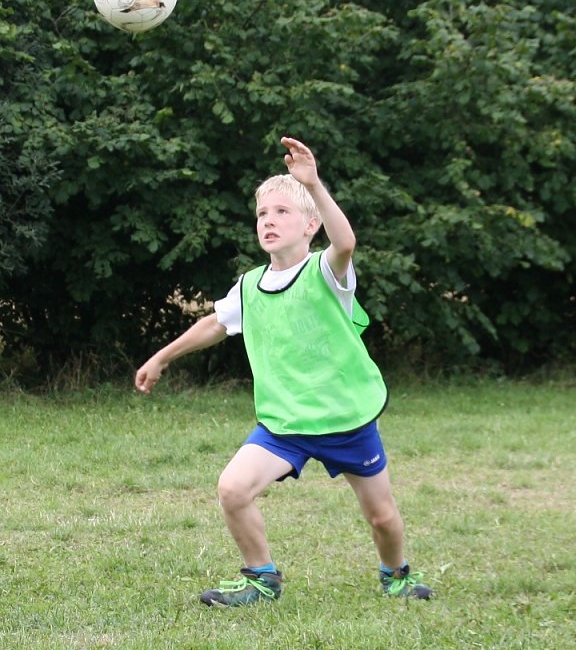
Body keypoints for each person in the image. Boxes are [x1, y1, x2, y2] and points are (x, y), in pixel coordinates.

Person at [135, 136, 432, 606]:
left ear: (311, 225)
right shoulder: (250, 285)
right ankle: (261, 579)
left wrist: (312, 184)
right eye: (261, 214)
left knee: (381, 516)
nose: (268, 221)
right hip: (286, 423)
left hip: (346, 419)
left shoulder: (327, 272)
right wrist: (161, 357)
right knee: (233, 488)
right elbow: (215, 324)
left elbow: (346, 242)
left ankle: (395, 575)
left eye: (281, 212)